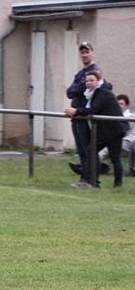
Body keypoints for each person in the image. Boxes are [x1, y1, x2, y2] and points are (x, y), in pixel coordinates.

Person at [65, 70, 129, 188]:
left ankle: (116, 185)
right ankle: (92, 181)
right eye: (87, 81)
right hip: (105, 131)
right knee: (91, 152)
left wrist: (76, 111)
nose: (89, 83)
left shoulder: (103, 92)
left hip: (114, 130)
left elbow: (94, 109)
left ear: (98, 81)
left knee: (114, 158)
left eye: (92, 80)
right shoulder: (91, 93)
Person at [66, 42, 101, 184]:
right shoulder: (81, 73)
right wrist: (77, 88)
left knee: (89, 150)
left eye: (87, 52)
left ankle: (92, 180)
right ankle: (84, 178)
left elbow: (81, 88)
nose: (85, 55)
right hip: (76, 116)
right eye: (82, 52)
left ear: (93, 52)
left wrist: (77, 87)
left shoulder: (95, 71)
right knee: (81, 150)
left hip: (85, 116)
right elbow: (69, 92)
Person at [98, 94, 135, 175]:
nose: (119, 106)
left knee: (107, 149)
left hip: (129, 143)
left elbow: (122, 131)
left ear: (127, 106)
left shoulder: (129, 117)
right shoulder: (117, 115)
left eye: (121, 104)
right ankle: (95, 165)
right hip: (123, 142)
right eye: (117, 104)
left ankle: (91, 166)